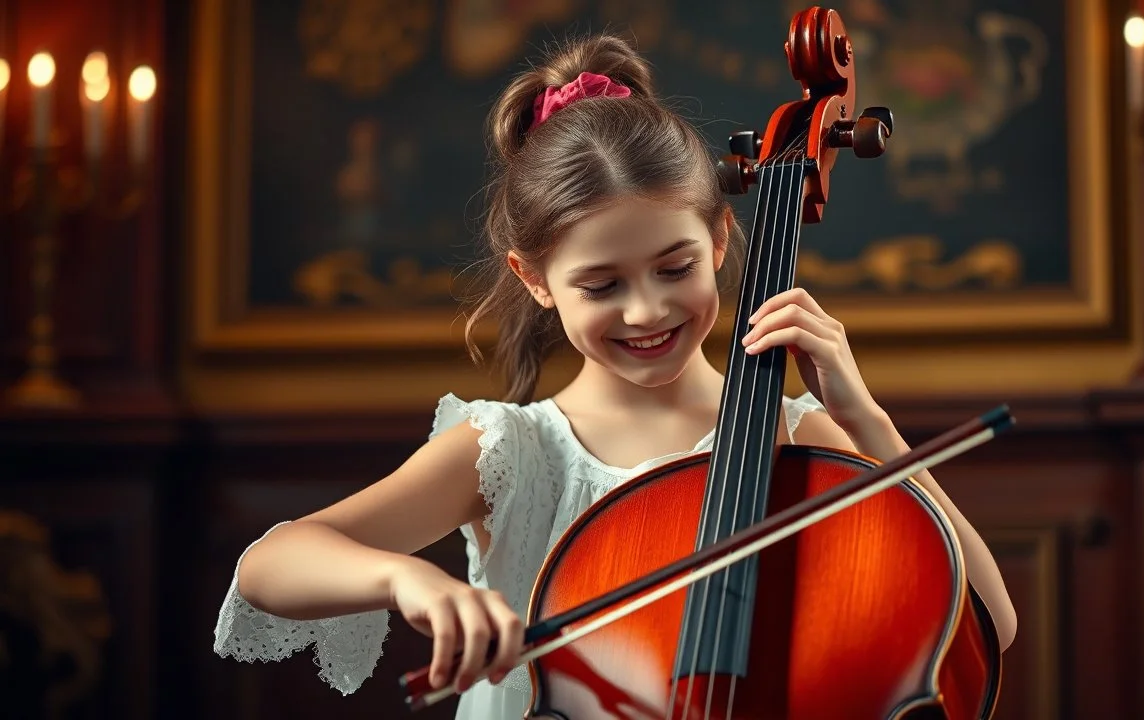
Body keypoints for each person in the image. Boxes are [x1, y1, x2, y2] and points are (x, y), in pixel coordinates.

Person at [213, 33, 1017, 719]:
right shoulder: (512, 451)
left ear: (721, 234)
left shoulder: (798, 436)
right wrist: (408, 580)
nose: (646, 311)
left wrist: (865, 415)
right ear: (533, 280)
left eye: (675, 267)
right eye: (601, 286)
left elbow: (991, 618)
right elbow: (270, 564)